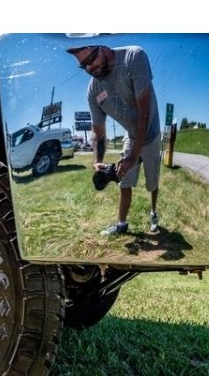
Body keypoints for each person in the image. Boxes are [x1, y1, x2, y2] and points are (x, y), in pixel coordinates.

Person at [68, 44, 161, 235]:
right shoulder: (93, 91)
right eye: (83, 65)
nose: (89, 69)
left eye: (91, 59)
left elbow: (144, 112)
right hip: (131, 135)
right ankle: (121, 225)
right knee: (123, 180)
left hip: (151, 134)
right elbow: (99, 132)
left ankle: (153, 212)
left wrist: (133, 157)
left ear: (102, 47)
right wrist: (97, 162)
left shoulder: (133, 58)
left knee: (152, 183)